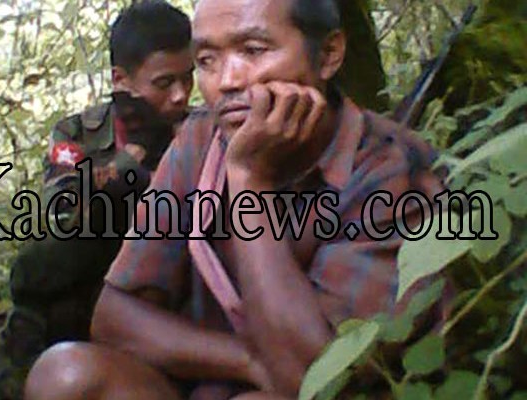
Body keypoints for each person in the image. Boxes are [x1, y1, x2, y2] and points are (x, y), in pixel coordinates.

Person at [24, 0, 446, 399]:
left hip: (304, 389)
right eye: (206, 60)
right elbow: (115, 316)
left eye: (254, 49)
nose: (227, 80)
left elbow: (320, 376)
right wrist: (248, 360)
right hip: (216, 379)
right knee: (63, 374)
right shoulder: (198, 138)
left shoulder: (388, 165)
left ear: (329, 54)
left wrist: (248, 181)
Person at [5, 0, 193, 368]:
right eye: (164, 82)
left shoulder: (197, 131)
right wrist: (130, 162)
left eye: (188, 77)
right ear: (121, 80)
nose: (181, 95)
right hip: (94, 272)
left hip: (169, 282)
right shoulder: (75, 132)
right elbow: (63, 210)